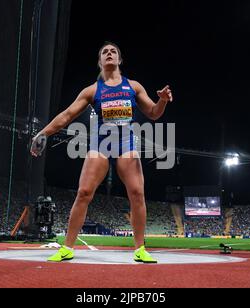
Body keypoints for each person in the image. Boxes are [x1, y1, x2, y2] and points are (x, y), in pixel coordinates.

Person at [31, 42, 173, 263]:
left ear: (119, 60)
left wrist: (162, 100)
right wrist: (43, 133)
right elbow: (67, 115)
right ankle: (68, 247)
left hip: (127, 145)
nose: (109, 53)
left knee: (137, 193)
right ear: (100, 61)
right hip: (101, 146)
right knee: (84, 192)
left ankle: (140, 249)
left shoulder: (133, 86)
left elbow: (154, 113)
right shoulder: (92, 90)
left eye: (113, 51)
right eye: (104, 52)